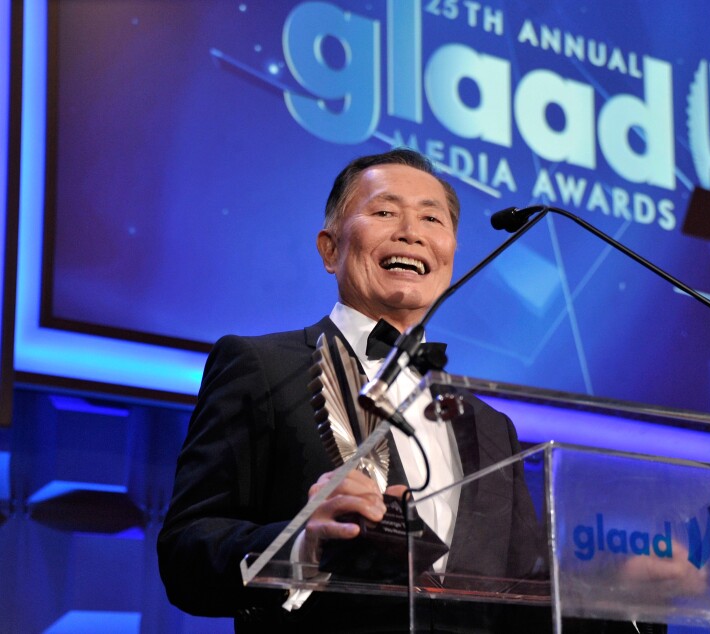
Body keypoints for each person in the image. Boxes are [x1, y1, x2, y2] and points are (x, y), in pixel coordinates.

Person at [157, 148, 547, 632]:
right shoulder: (260, 366)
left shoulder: (493, 429)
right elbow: (185, 553)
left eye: (432, 218)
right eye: (385, 212)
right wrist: (301, 544)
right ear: (329, 249)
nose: (411, 232)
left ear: (449, 256)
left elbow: (528, 594)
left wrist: (619, 590)